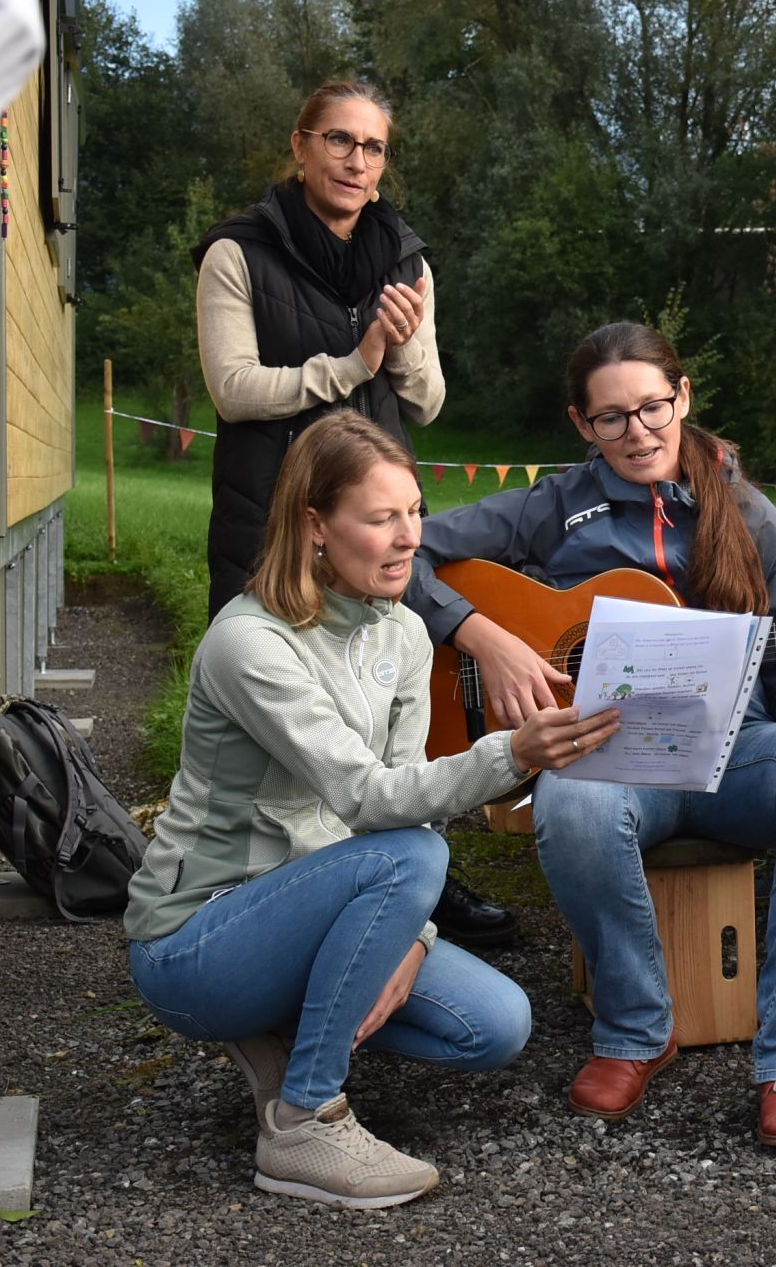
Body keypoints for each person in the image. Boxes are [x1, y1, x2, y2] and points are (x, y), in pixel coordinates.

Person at [404, 322, 776, 1148]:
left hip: (741, 753)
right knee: (573, 798)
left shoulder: (751, 515)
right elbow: (408, 549)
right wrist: (482, 636)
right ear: (581, 424)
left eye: (653, 408)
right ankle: (635, 1027)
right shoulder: (551, 507)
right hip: (614, 756)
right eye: (612, 417)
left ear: (684, 398)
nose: (638, 431)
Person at [124, 412, 616, 1209]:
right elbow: (364, 797)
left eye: (414, 511)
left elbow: (404, 803)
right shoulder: (251, 641)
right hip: (196, 939)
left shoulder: (406, 636)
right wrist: (513, 754)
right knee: (416, 859)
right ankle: (303, 1120)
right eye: (381, 517)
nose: (408, 537)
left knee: (497, 1022)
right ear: (315, 525)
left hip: (313, 907)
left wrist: (413, 939)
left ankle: (286, 1029)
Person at [193, 79, 515, 950]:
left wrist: (401, 347)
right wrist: (353, 357)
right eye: (339, 141)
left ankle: (417, 883)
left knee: (389, 702)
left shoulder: (407, 258)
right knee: (278, 715)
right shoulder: (238, 253)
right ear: (299, 147)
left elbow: (431, 397)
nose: (356, 161)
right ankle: (248, 898)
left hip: (371, 519)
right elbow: (233, 388)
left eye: (372, 148)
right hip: (270, 519)